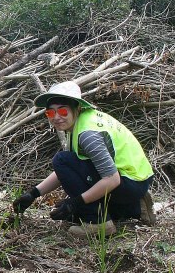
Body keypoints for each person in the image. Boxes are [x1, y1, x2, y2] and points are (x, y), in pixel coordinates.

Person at [12, 81, 155, 236]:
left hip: (126, 181)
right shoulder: (82, 121)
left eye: (63, 111)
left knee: (61, 160)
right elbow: (69, 170)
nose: (57, 117)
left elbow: (111, 179)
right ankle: (135, 207)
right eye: (50, 113)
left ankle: (98, 223)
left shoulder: (87, 134)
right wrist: (33, 194)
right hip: (135, 180)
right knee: (74, 216)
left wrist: (75, 202)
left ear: (76, 108)